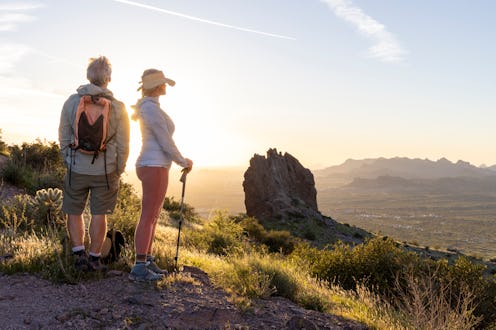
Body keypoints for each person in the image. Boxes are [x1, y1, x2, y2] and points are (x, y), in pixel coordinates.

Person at [59, 56, 130, 271]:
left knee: (74, 210)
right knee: (99, 214)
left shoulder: (72, 101)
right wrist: (118, 169)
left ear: (88, 76)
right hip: (106, 171)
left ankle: (78, 255)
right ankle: (95, 258)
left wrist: (68, 160)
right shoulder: (118, 107)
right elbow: (123, 144)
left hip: (76, 168)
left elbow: (63, 135)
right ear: (108, 78)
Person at [129, 69, 193, 282]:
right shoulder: (150, 109)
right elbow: (165, 140)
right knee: (148, 216)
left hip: (155, 165)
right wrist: (182, 161)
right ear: (157, 85)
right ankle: (139, 267)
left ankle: (146, 260)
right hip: (153, 165)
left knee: (153, 215)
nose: (166, 86)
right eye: (163, 82)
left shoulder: (151, 107)